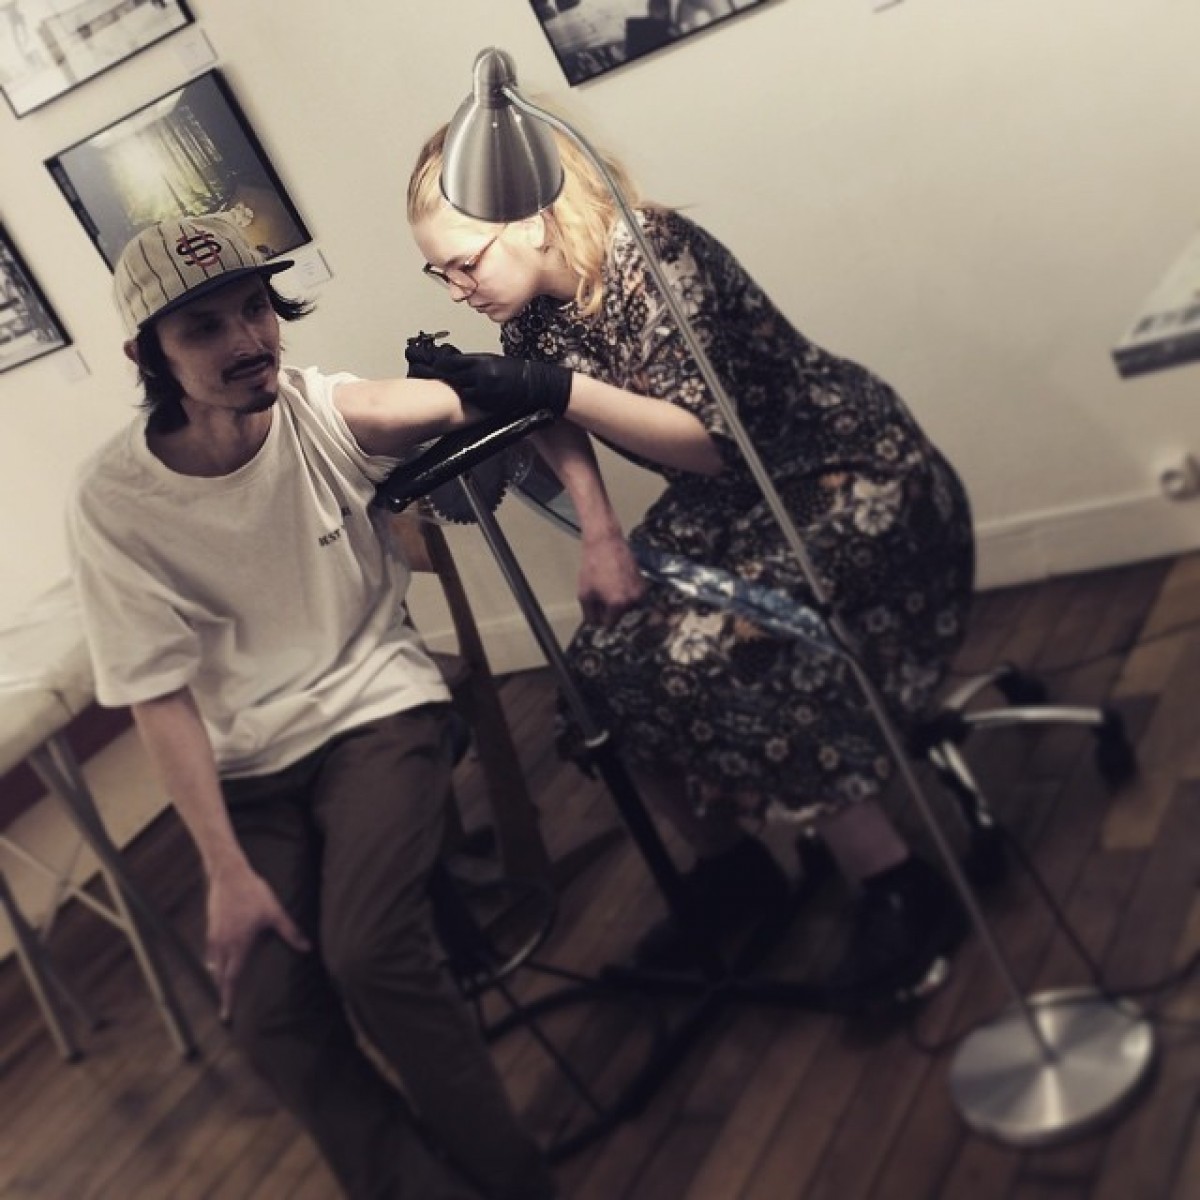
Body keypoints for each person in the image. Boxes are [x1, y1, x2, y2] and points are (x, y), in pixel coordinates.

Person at [406, 122, 976, 1008]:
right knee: (595, 675)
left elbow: (714, 443)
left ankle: (897, 882)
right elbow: (554, 421)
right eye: (438, 273)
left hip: (843, 472)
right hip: (731, 503)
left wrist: (554, 388)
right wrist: (601, 535)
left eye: (464, 263)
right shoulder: (534, 314)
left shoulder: (653, 253)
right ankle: (734, 869)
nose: (457, 288)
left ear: (527, 218)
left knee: (738, 650)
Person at [66, 215, 559, 1200]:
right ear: (147, 355)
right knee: (266, 1013)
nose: (248, 339)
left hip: (375, 712)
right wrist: (224, 872)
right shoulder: (113, 501)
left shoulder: (319, 411)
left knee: (372, 954)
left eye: (256, 307)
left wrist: (466, 386)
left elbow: (446, 397)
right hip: (249, 768)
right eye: (204, 326)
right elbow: (156, 695)